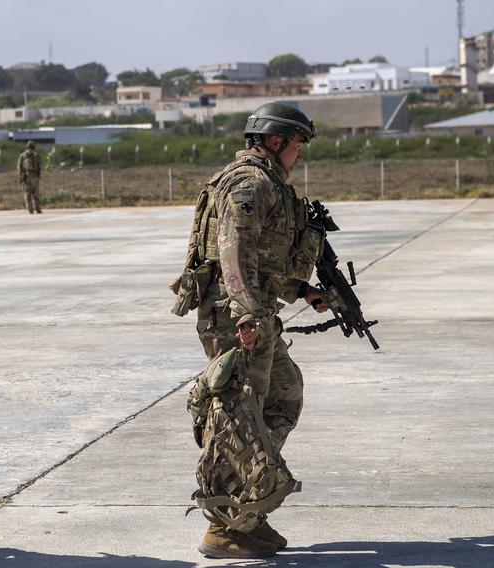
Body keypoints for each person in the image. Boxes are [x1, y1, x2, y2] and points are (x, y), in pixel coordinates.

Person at [171, 102, 328, 559]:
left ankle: (249, 510)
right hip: (237, 318)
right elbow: (234, 253)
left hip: (252, 312)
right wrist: (247, 317)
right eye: (298, 144)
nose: (300, 154)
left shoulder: (269, 184)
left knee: (283, 395)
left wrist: (304, 291)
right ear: (276, 142)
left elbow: (263, 258)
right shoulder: (250, 183)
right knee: (238, 419)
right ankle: (226, 526)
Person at [17, 140, 43, 214]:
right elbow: (40, 165)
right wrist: (38, 174)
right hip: (34, 176)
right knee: (36, 193)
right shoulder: (36, 155)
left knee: (27, 193)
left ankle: (30, 209)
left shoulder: (22, 155)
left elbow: (19, 167)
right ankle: (37, 208)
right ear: (33, 147)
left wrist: (21, 175)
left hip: (26, 176)